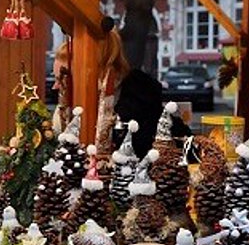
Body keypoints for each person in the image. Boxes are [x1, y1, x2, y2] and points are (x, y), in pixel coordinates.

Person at [52, 17, 186, 158]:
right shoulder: (69, 111)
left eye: (63, 79)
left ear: (92, 74)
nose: (55, 87)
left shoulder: (140, 107)